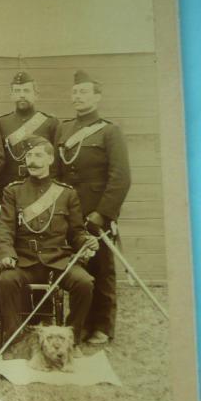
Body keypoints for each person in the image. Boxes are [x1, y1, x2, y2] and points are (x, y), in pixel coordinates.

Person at [0, 136, 99, 351]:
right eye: (29, 156)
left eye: (39, 155)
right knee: (6, 280)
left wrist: (86, 242)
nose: (32, 161)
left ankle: (71, 339)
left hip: (58, 260)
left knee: (85, 283)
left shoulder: (66, 193)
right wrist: (6, 253)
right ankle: (15, 341)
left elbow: (76, 232)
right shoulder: (13, 191)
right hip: (23, 261)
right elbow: (4, 228)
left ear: (50, 159)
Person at [55, 70, 131, 344]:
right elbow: (59, 174)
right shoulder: (63, 130)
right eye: (75, 92)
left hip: (96, 214)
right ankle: (80, 324)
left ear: (97, 97)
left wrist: (102, 213)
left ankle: (102, 326)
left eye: (84, 92)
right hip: (70, 213)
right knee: (78, 271)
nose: (78, 97)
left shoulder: (110, 132)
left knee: (101, 268)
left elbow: (120, 177)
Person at [0, 71, 59, 188]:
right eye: (17, 91)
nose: (22, 95)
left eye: (26, 91)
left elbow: (55, 161)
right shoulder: (0, 122)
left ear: (36, 95)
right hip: (9, 186)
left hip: (41, 185)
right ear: (11, 95)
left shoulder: (50, 122)